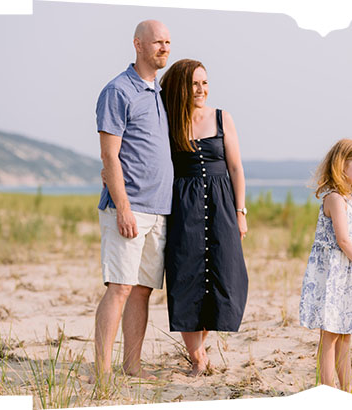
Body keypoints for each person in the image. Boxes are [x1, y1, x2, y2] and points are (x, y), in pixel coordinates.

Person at [158, 59, 250, 377]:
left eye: (205, 83)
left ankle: (200, 347)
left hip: (222, 203)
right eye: (194, 83)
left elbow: (236, 168)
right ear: (182, 86)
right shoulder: (167, 119)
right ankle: (197, 357)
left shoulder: (222, 118)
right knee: (186, 276)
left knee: (225, 275)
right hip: (183, 205)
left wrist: (240, 211)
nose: (201, 89)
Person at [93, 19, 173, 380]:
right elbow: (110, 156)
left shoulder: (159, 93)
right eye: (157, 42)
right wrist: (122, 207)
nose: (164, 48)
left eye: (168, 42)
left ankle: (133, 366)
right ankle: (104, 370)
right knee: (120, 288)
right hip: (128, 209)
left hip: (160, 210)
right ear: (138, 45)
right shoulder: (118, 90)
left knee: (142, 291)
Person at [299, 139, 352, 391]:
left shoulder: (349, 201)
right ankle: (327, 391)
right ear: (342, 165)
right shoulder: (334, 198)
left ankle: (347, 391)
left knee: (345, 335)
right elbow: (343, 240)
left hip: (348, 275)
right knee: (330, 337)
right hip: (334, 274)